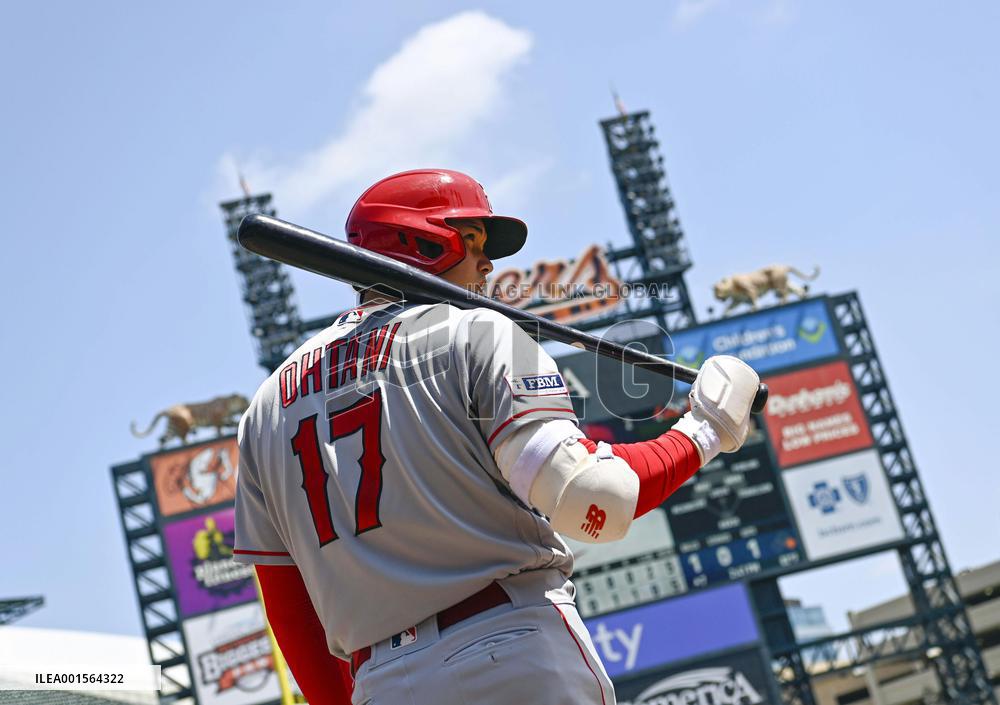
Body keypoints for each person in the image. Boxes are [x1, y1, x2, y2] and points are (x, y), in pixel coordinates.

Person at [232, 169, 761, 705]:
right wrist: (705, 429)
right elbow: (593, 499)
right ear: (422, 241)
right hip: (511, 649)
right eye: (472, 241)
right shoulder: (472, 331)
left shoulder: (266, 407)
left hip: (380, 684)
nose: (488, 265)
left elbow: (291, 609)